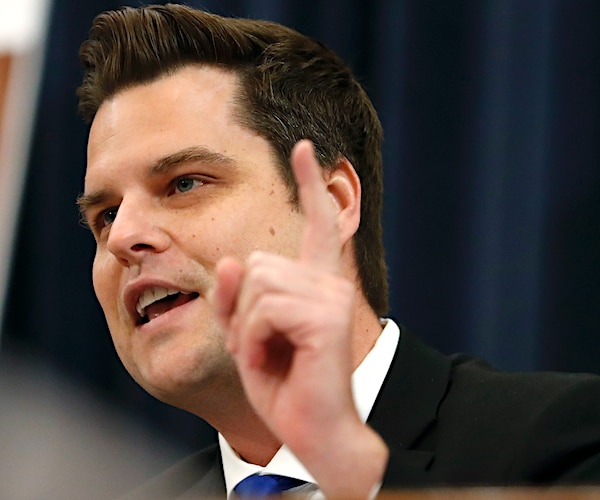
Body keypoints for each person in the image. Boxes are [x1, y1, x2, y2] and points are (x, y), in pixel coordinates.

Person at [76, 4, 600, 498]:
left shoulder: (563, 440)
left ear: (331, 203)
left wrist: (352, 473)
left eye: (184, 184)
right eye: (105, 216)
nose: (123, 236)